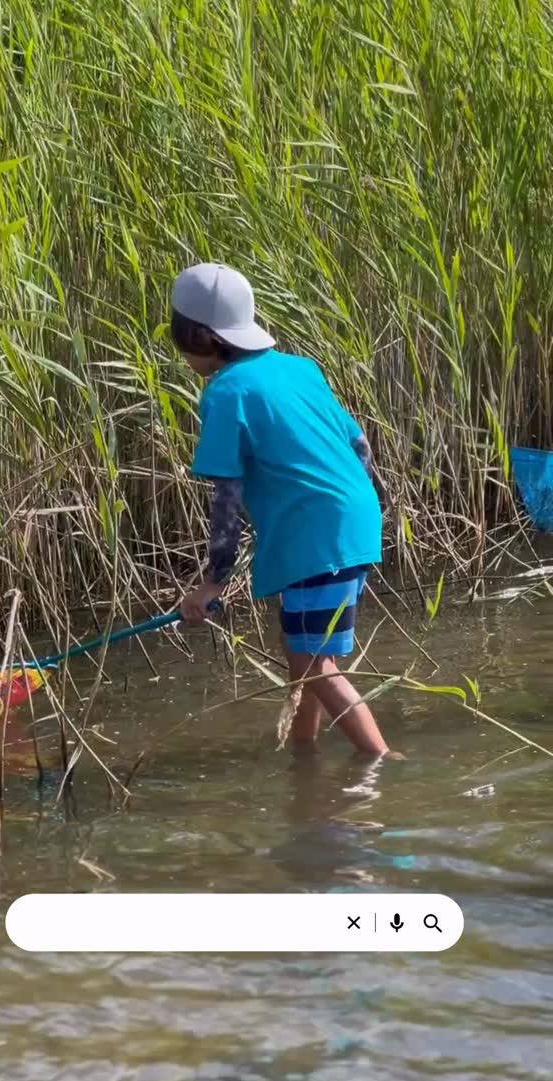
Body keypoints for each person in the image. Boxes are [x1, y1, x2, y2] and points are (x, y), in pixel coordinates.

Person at [171, 262, 393, 760]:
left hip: (316, 537)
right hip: (353, 521)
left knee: (316, 663)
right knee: (302, 655)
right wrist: (342, 511)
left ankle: (383, 762)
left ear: (198, 335)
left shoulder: (226, 393)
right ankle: (304, 752)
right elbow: (359, 445)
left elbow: (226, 498)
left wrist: (212, 583)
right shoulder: (300, 368)